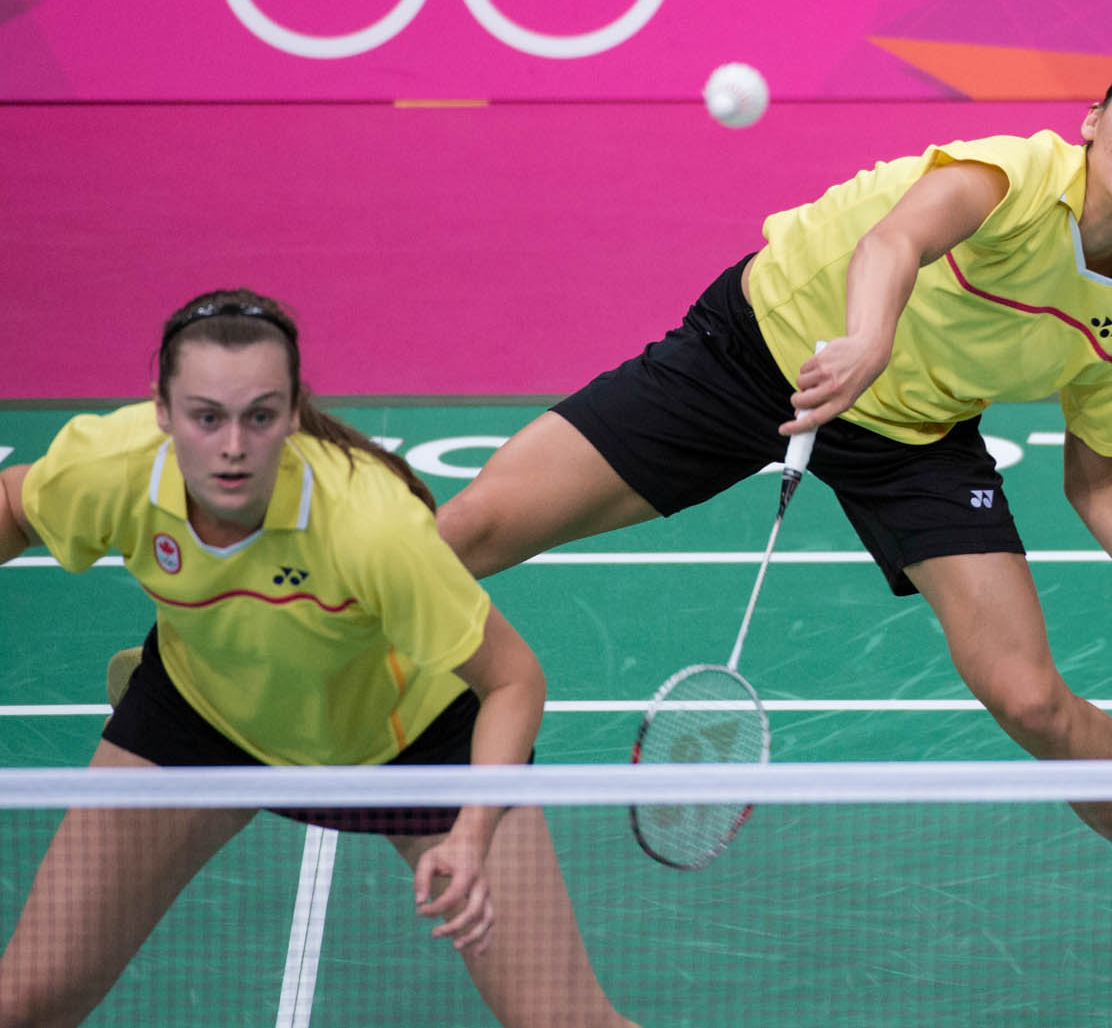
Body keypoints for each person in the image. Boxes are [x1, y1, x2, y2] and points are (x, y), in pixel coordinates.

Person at [434, 42, 1112, 1002]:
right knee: (469, 532)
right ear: (1094, 121)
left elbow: (1097, 483)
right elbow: (894, 240)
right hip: (762, 350)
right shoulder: (1011, 174)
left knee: (1030, 699)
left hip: (914, 436)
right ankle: (303, 638)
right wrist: (869, 338)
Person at [0, 290, 640, 1028]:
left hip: (414, 747)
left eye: (260, 416)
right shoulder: (115, 466)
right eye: (206, 416)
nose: (233, 446)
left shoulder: (369, 525)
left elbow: (514, 681)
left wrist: (471, 832)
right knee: (23, 1003)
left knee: (565, 1023)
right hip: (203, 724)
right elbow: (17, 506)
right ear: (162, 411)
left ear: (295, 410)